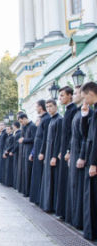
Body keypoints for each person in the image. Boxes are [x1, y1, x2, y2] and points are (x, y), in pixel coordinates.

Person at [66, 85, 90, 228]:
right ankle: (75, 218)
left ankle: (80, 220)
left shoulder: (86, 113)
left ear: (82, 95)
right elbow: (73, 136)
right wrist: (69, 152)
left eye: (75, 94)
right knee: (74, 186)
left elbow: (85, 137)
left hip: (81, 155)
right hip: (74, 153)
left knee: (80, 187)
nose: (73, 96)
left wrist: (81, 156)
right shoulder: (77, 112)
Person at [56, 86, 77, 219]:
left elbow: (72, 133)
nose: (60, 98)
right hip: (64, 149)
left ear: (70, 95)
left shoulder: (73, 110)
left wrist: (68, 150)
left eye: (62, 95)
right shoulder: (68, 110)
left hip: (70, 149)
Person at [80, 82, 97, 240]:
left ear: (91, 94)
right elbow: (86, 135)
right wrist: (85, 115)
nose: (85, 101)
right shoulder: (93, 112)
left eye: (85, 97)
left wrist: (94, 163)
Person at [39, 99, 62, 212]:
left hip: (53, 154)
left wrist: (54, 156)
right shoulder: (51, 120)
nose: (49, 109)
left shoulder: (59, 120)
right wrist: (44, 153)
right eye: (47, 107)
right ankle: (47, 204)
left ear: (56, 106)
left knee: (53, 180)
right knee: (47, 179)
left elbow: (58, 140)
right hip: (48, 153)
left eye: (51, 106)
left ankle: (52, 206)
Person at [29, 100, 51, 204]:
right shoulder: (43, 119)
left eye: (36, 107)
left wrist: (42, 151)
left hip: (42, 151)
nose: (35, 109)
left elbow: (45, 137)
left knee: (40, 173)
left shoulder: (46, 119)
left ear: (40, 107)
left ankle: (39, 198)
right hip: (38, 149)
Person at [18, 113, 36, 197]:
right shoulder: (25, 127)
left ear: (25, 118)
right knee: (25, 171)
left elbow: (34, 138)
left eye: (22, 121)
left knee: (28, 171)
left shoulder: (32, 126)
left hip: (30, 150)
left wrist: (24, 140)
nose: (21, 123)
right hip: (25, 151)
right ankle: (25, 190)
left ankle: (28, 191)